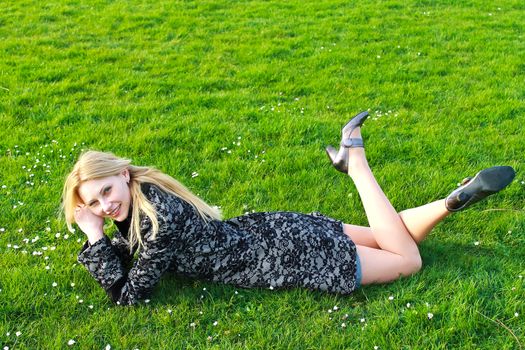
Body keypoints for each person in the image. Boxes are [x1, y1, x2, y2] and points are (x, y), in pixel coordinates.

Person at [62, 112, 516, 306]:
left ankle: (356, 164)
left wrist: (94, 236)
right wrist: (104, 233)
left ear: (122, 173)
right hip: (274, 232)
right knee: (388, 237)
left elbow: (128, 295)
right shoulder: (143, 198)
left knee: (408, 261)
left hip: (284, 255)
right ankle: (449, 202)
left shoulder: (157, 220)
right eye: (94, 203)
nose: (106, 204)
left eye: (106, 190)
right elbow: (126, 268)